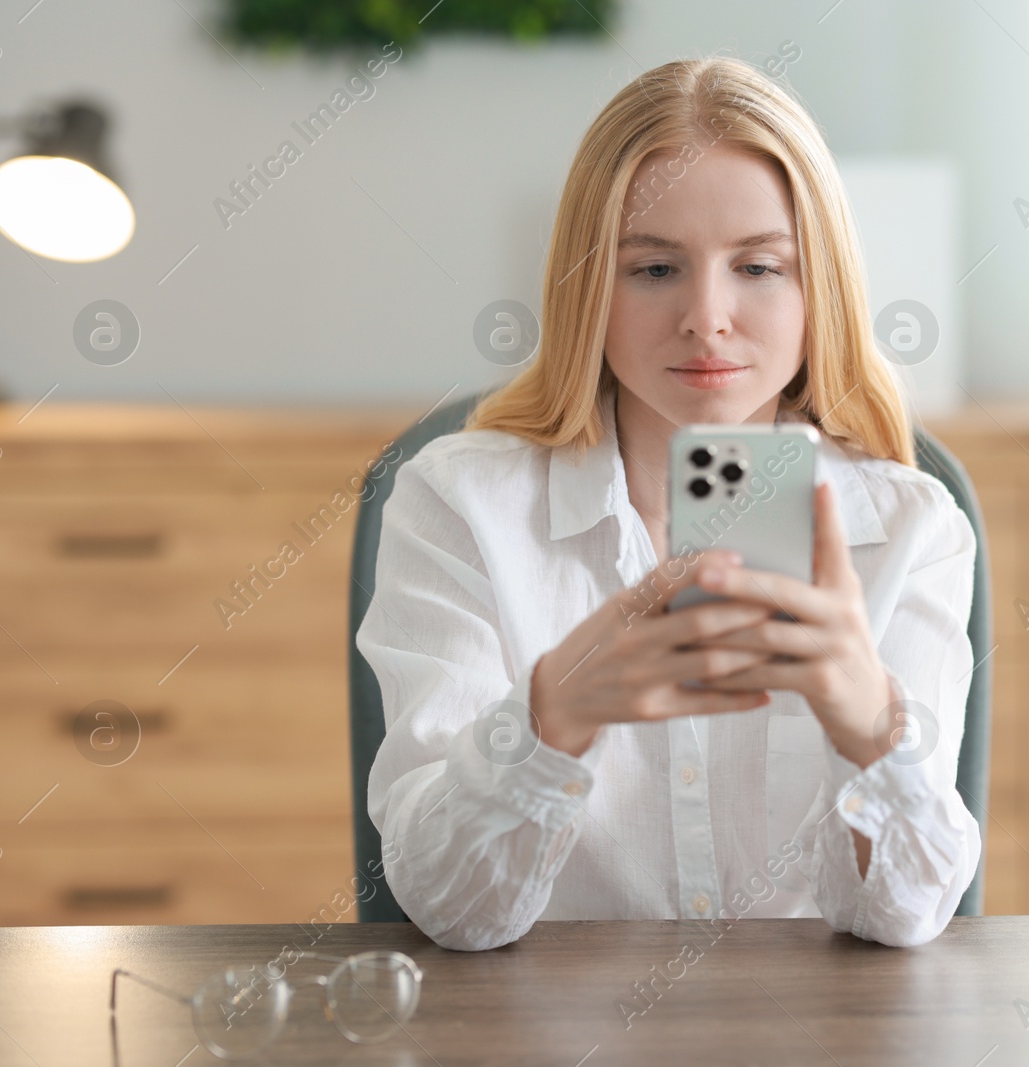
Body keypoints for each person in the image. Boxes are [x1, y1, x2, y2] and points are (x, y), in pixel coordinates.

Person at [357, 56, 981, 951]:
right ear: (589, 290)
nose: (707, 317)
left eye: (759, 266)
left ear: (820, 291)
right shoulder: (457, 501)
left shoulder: (912, 528)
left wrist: (867, 720)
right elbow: (450, 909)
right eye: (654, 270)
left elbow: (905, 917)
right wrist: (549, 720)